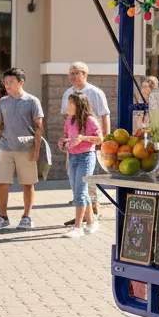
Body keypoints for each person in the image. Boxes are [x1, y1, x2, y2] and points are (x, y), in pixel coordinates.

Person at [0, 68, 44, 230]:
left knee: (27, 184)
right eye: (5, 82)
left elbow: (39, 128)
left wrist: (36, 150)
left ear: (21, 83)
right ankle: (3, 217)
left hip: (27, 148)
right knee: (1, 183)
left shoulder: (32, 101)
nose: (7, 85)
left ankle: (27, 217)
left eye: (11, 82)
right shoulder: (3, 102)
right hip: (5, 147)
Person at [62, 62, 111, 221]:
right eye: (71, 73)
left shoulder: (95, 92)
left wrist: (106, 141)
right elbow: (67, 118)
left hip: (92, 142)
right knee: (76, 181)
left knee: (88, 181)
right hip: (74, 146)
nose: (73, 76)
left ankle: (92, 215)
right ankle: (84, 215)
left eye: (76, 73)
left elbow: (104, 116)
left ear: (85, 75)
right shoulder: (67, 93)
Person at [60, 92, 102, 239]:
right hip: (72, 157)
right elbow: (66, 136)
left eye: (70, 104)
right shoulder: (69, 120)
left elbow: (100, 139)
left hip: (86, 157)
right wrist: (63, 142)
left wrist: (83, 138)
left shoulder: (90, 121)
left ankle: (78, 227)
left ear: (78, 105)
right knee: (79, 191)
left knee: (80, 192)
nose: (67, 106)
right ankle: (91, 222)